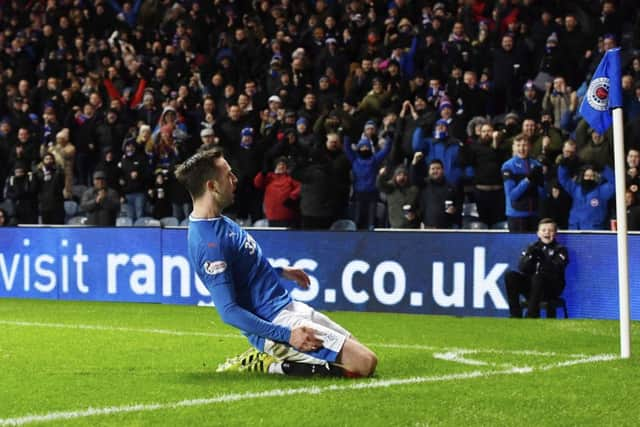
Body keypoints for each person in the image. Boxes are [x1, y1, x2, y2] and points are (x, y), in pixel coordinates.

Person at [174, 149, 377, 377]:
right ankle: (270, 362)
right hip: (276, 323)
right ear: (212, 186)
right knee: (364, 364)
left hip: (288, 306)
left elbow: (246, 267)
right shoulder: (208, 243)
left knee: (365, 354)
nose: (235, 180)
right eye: (228, 176)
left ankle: (279, 356)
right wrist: (287, 335)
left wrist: (281, 271)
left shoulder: (220, 221)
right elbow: (229, 311)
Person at [504, 218, 569, 318]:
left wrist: (543, 258)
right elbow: (522, 268)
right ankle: (515, 315)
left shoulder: (560, 250)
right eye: (543, 230)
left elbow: (556, 269)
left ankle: (531, 315)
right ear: (538, 233)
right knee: (510, 275)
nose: (546, 233)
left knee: (537, 277)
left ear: (555, 233)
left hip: (550, 289)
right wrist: (531, 257)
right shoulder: (532, 247)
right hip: (532, 287)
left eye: (550, 230)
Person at [501, 134, 545, 232]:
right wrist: (528, 180)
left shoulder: (536, 164)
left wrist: (541, 182)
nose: (522, 148)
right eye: (518, 145)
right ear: (513, 147)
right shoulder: (508, 166)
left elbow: (542, 195)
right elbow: (512, 195)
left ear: (530, 146)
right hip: (516, 216)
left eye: (525, 145)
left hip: (535, 214)